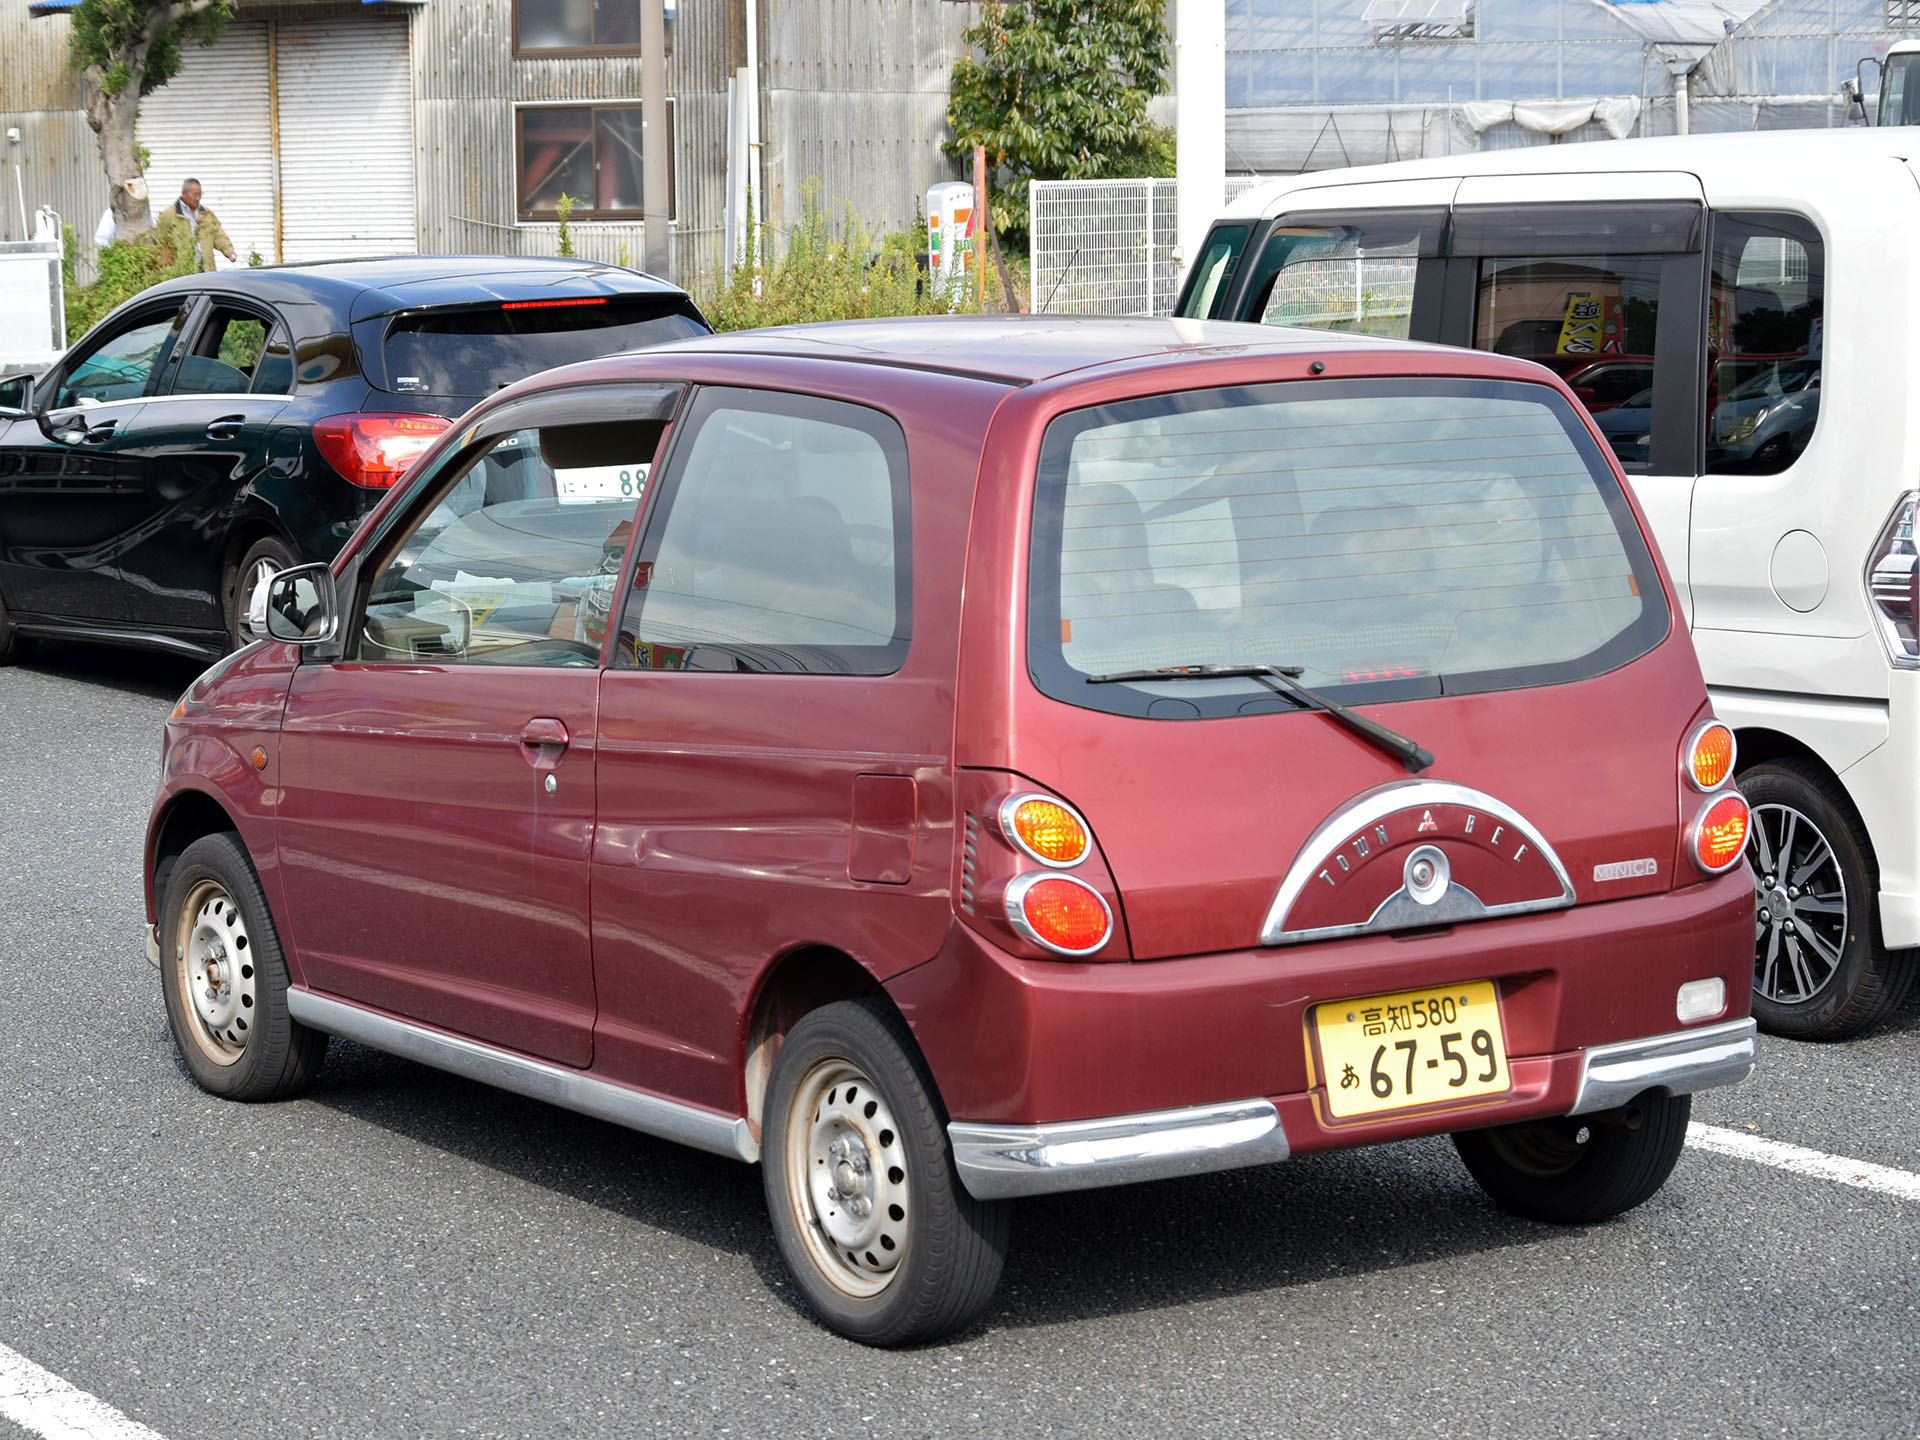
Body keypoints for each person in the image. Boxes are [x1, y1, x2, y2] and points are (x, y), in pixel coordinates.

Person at [155, 179, 237, 270]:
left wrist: (229, 251)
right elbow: (161, 243)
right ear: (184, 194)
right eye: (195, 195)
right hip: (181, 271)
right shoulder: (168, 215)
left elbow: (218, 235)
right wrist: (168, 266)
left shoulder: (206, 214)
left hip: (205, 269)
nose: (198, 198)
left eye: (200, 195)